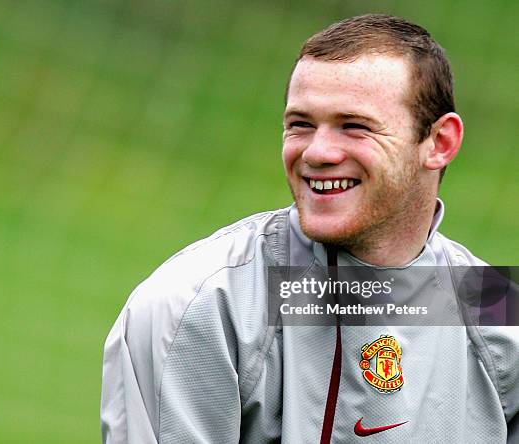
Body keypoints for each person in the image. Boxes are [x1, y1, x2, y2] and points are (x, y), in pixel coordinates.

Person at [101, 14, 518, 443]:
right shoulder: (196, 306)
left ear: (440, 143)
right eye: (300, 124)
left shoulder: (501, 312)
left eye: (354, 126)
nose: (317, 152)